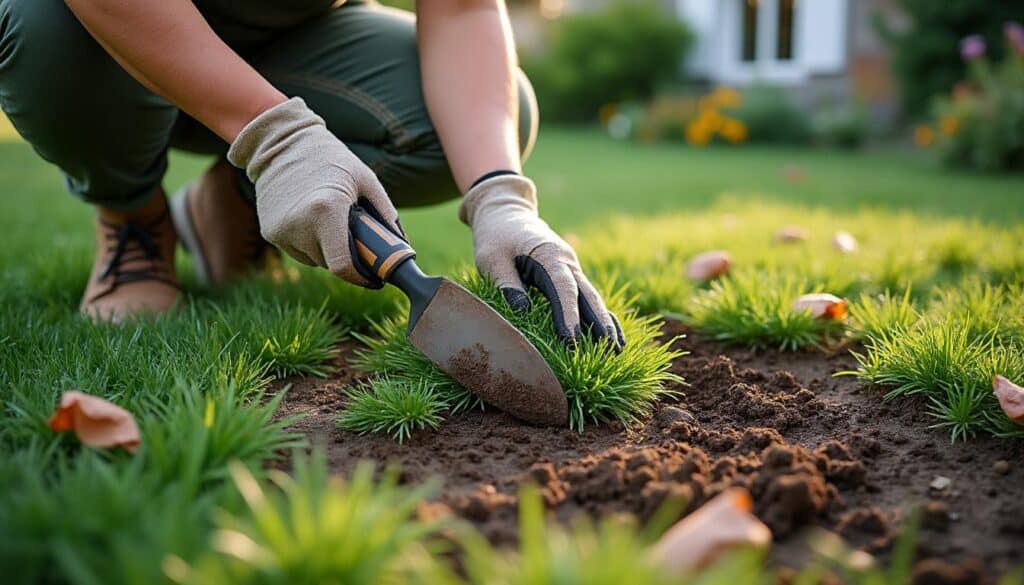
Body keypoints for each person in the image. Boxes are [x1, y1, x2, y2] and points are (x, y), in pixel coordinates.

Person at [0, 0, 625, 349]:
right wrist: (279, 137)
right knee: (38, 24)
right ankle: (134, 221)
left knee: (484, 121)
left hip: (299, 48)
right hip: (116, 30)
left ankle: (233, 204)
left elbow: (461, 11)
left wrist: (501, 199)